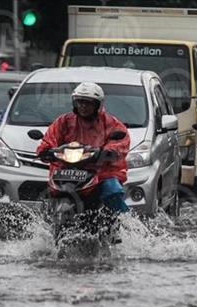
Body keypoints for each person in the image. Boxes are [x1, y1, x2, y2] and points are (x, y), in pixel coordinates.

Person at [36, 82, 131, 213]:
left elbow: (120, 142)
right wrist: (45, 150)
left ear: (97, 105)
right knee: (47, 192)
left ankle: (127, 224)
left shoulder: (111, 123)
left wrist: (107, 152)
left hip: (101, 172)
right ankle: (46, 220)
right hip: (67, 170)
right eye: (79, 102)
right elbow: (49, 138)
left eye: (87, 103)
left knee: (112, 191)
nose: (83, 106)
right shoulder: (64, 121)